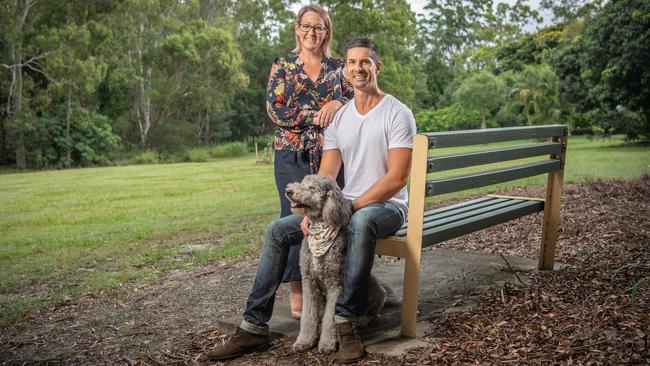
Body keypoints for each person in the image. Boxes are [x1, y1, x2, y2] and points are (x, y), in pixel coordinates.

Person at [207, 38, 416, 363]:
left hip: (386, 207)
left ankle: (344, 323)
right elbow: (328, 173)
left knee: (360, 222)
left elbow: (397, 178)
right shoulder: (340, 118)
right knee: (278, 230)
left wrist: (351, 207)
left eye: (365, 62)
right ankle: (253, 328)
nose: (358, 68)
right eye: (351, 62)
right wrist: (311, 208)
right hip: (342, 206)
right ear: (345, 68)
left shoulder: (397, 113)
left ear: (377, 66)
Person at [267, 4, 352, 319]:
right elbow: (275, 110)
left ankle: (333, 285)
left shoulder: (338, 66)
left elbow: (353, 99)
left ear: (326, 31)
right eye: (306, 25)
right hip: (291, 154)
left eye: (318, 27)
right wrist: (316, 115)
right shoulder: (284, 65)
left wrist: (336, 101)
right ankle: (298, 289)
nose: (311, 33)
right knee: (293, 220)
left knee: (330, 218)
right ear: (297, 27)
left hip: (331, 153)